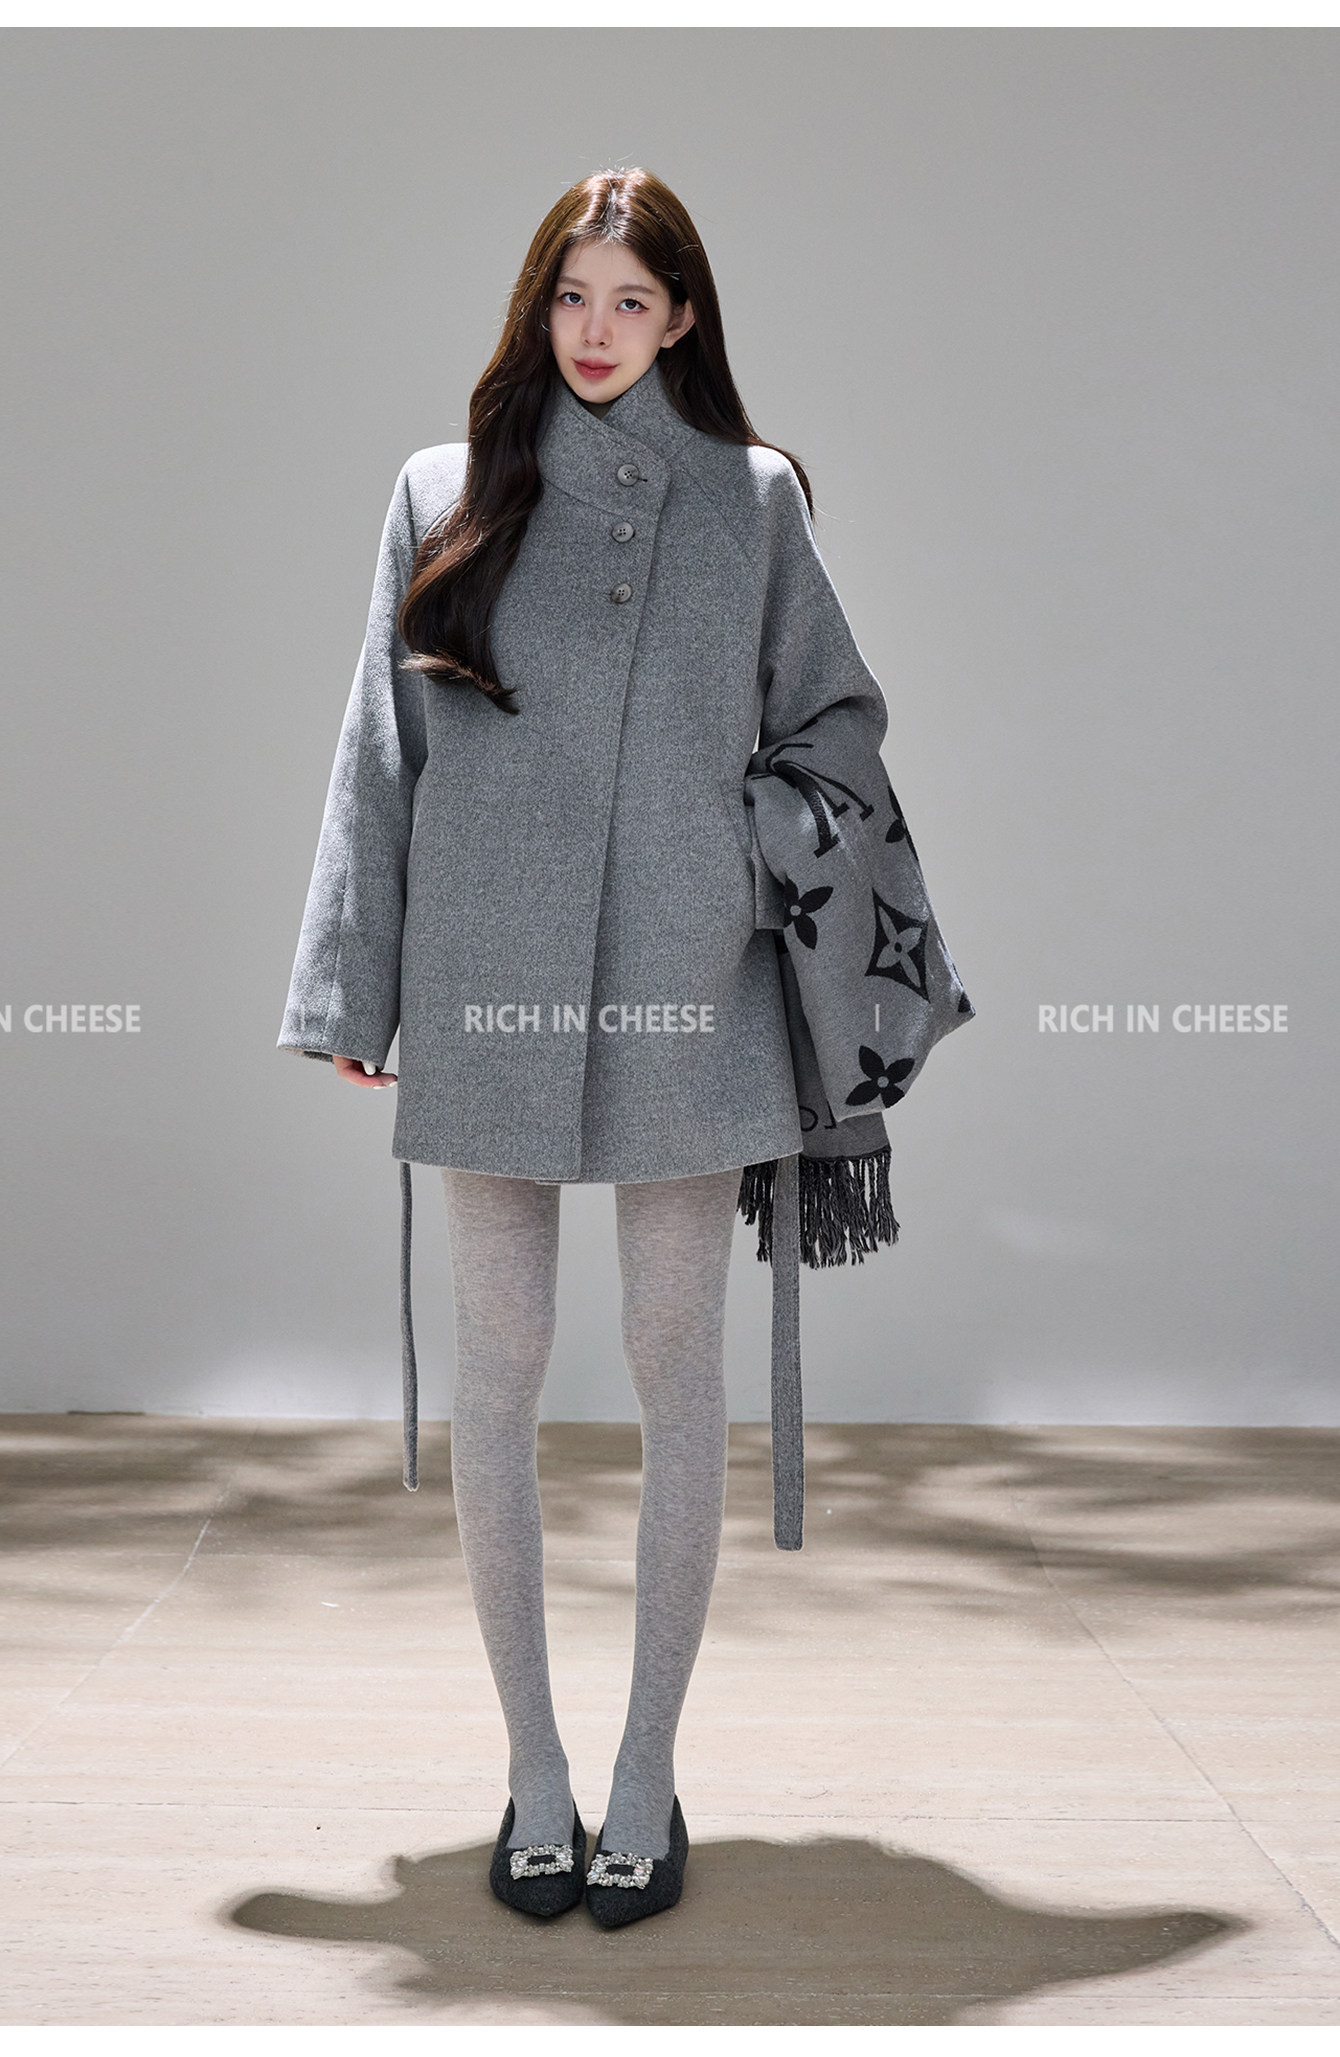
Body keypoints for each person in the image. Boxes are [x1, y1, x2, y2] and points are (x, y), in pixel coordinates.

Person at [278, 167, 971, 1927]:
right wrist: (354, 987)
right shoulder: (440, 490)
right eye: (572, 298)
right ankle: (535, 1772)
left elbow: (840, 715)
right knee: (500, 1373)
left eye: (632, 303)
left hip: (687, 979)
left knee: (676, 1373)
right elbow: (379, 753)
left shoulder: (753, 498)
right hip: (487, 975)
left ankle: (647, 1773)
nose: (597, 333)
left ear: (682, 319)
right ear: (539, 304)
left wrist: (730, 846)